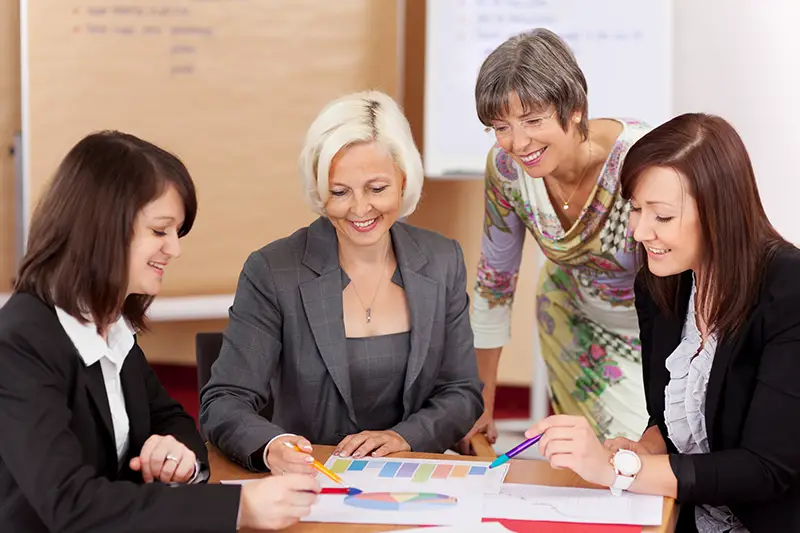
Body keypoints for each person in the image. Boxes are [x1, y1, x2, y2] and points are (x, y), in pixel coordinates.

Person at [0, 131, 319, 532]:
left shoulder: (109, 325)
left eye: (177, 232)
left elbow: (172, 419)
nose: (175, 249)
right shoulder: (19, 344)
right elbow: (70, 504)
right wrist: (237, 508)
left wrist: (175, 454)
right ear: (102, 227)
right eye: (160, 231)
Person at [526, 113, 800, 531]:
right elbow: (672, 425)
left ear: (719, 212)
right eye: (635, 209)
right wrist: (641, 448)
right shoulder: (661, 284)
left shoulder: (789, 288)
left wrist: (620, 468)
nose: (639, 231)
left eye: (662, 216)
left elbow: (765, 468)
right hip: (686, 516)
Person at [200, 90, 483, 475]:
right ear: (319, 190)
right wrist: (272, 446)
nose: (360, 209)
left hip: (414, 482)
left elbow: (462, 391)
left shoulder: (442, 260)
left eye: (377, 188)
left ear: (403, 179)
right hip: (310, 484)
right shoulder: (273, 270)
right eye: (340, 192)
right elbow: (224, 400)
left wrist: (406, 437)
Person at [462, 28, 651, 452]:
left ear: (575, 109)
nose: (519, 142)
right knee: (603, 463)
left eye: (533, 120)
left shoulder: (641, 158)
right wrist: (482, 403)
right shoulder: (507, 169)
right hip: (573, 320)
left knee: (650, 457)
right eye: (501, 126)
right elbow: (495, 284)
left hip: (655, 331)